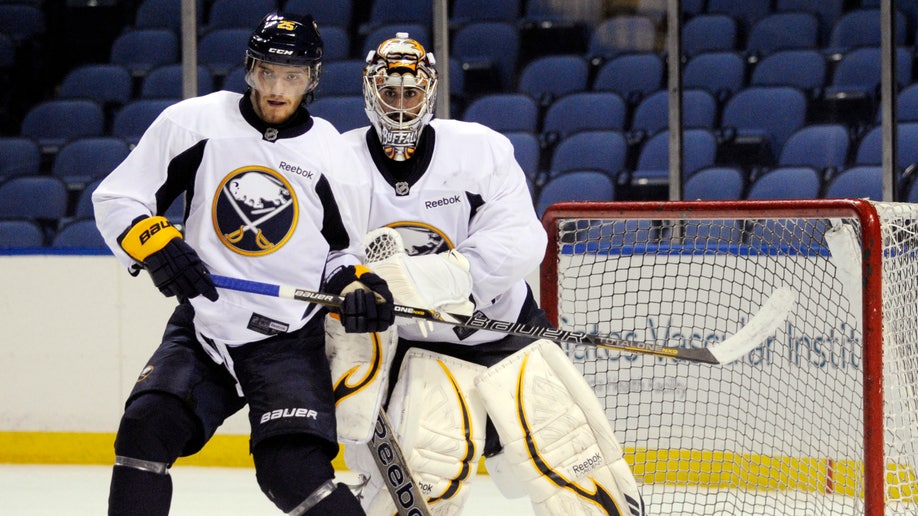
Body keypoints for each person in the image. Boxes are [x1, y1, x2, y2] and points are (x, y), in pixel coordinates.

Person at [93, 12, 395, 516]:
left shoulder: (334, 157)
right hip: (205, 326)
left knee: (293, 475)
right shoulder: (193, 123)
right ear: (249, 69)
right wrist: (153, 240)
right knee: (146, 429)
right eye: (267, 72)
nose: (277, 89)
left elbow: (342, 253)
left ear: (312, 79)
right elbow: (120, 197)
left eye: (292, 76)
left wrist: (359, 286)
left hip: (287, 341)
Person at [336, 33, 648, 515]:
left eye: (411, 93)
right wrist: (353, 288)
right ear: (369, 92)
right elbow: (330, 254)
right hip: (422, 346)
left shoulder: (479, 149)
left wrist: (429, 278)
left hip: (506, 330)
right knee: (421, 483)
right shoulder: (339, 163)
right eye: (390, 93)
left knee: (575, 464)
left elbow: (522, 238)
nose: (400, 106)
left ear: (430, 93)